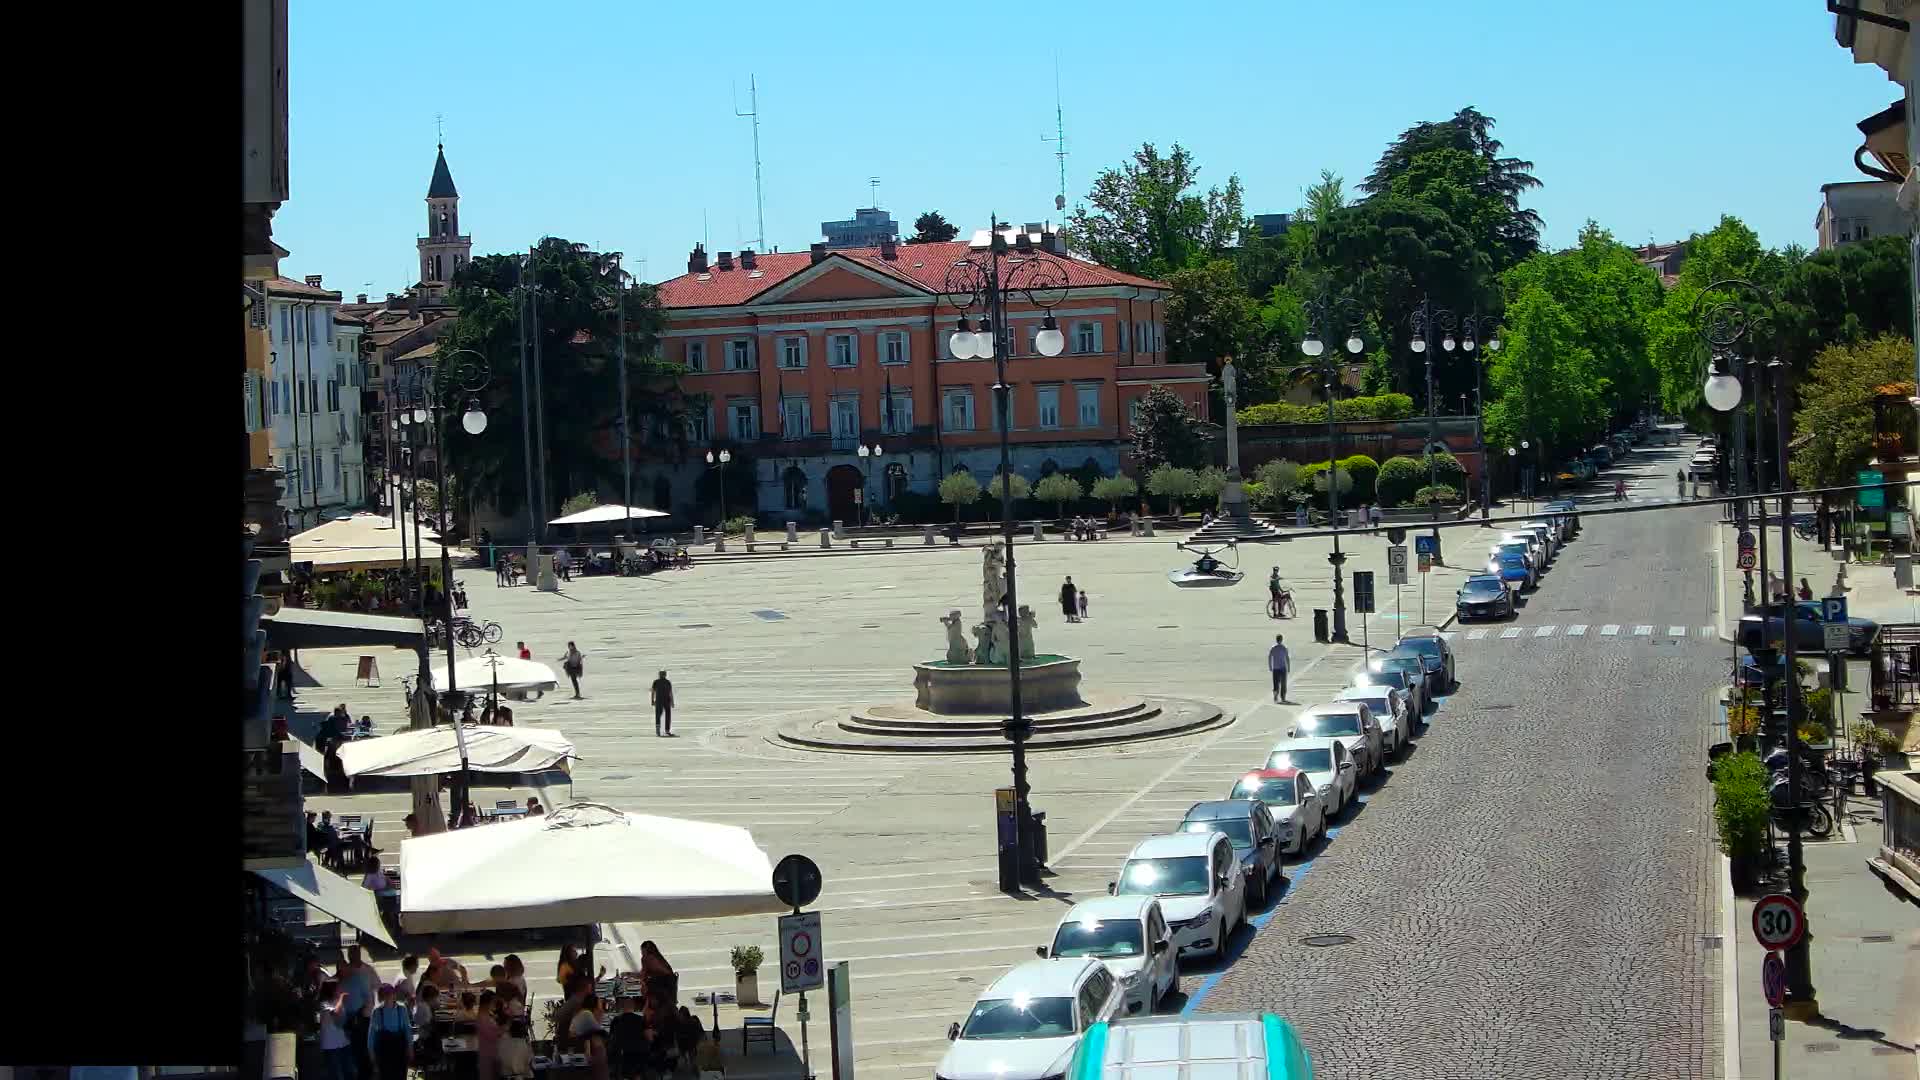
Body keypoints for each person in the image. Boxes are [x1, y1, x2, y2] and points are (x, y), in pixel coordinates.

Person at [367, 983, 413, 1080]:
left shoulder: (402, 1009)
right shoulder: (377, 1012)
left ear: (394, 995)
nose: (388, 997)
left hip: (400, 1049)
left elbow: (407, 1030)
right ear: (381, 997)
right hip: (385, 1052)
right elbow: (371, 1036)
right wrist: (372, 1056)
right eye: (385, 995)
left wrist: (410, 1048)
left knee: (406, 1074)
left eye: (390, 994)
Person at [317, 981, 355, 1080]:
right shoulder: (324, 1004)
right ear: (332, 991)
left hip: (343, 1042)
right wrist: (341, 998)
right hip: (331, 1045)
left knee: (349, 1071)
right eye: (338, 988)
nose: (340, 990)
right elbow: (335, 1013)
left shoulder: (338, 1002)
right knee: (335, 1074)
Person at [608, 997, 650, 1080]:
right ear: (634, 1007)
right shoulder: (641, 1019)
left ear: (622, 1007)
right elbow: (648, 1037)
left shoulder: (616, 1020)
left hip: (622, 1054)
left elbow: (611, 1038)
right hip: (638, 1054)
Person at [475, 989, 502, 1080]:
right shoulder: (483, 1018)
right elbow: (492, 1036)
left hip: (491, 1050)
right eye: (494, 1002)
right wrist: (503, 1030)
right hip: (488, 1052)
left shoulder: (487, 1015)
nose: (495, 1005)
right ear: (487, 1003)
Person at [1268, 633, 1291, 705]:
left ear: (1276, 640)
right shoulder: (1284, 648)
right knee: (1283, 684)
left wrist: (1270, 666)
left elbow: (1269, 657)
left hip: (1275, 668)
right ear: (1282, 639)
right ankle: (1283, 697)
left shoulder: (1273, 648)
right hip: (1283, 668)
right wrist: (1288, 667)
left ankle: (1275, 696)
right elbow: (1287, 658)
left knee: (1276, 683)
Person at [652, 670, 675, 737]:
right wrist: (672, 702)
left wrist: (652, 700)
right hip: (666, 701)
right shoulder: (667, 682)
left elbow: (653, 692)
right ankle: (665, 730)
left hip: (660, 701)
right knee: (666, 715)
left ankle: (659, 730)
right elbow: (670, 693)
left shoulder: (657, 682)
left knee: (658, 715)